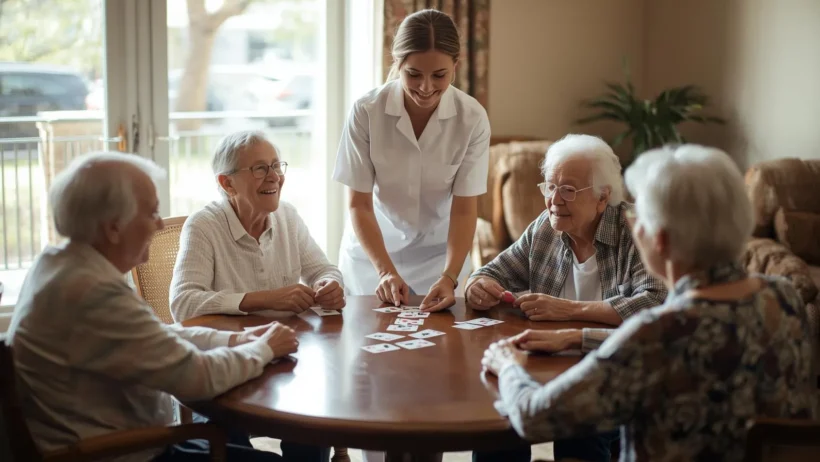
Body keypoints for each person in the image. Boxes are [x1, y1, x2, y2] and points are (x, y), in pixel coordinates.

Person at [481, 145, 817, 462]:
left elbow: (534, 416)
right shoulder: (785, 298)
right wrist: (576, 337)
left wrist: (508, 364)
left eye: (639, 217)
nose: (631, 224)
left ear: (660, 240)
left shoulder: (658, 333)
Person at [8, 152, 298, 462]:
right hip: (126, 454)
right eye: (152, 213)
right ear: (114, 227)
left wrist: (234, 340)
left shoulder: (59, 264)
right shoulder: (93, 293)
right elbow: (198, 378)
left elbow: (155, 337)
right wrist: (264, 348)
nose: (159, 225)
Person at [468, 134, 667, 461]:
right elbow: (492, 272)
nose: (554, 200)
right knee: (499, 427)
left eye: (569, 190)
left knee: (580, 433)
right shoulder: (545, 228)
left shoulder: (635, 230)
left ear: (603, 197)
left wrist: (568, 310)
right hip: (544, 365)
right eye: (550, 186)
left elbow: (654, 302)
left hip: (611, 370)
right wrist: (478, 283)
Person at [332, 8, 490, 314]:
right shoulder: (366, 112)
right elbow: (359, 204)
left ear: (456, 66)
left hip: (440, 258)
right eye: (413, 74)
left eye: (439, 75)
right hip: (373, 256)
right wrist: (384, 270)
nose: (426, 87)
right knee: (370, 354)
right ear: (397, 64)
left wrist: (450, 276)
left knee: (441, 354)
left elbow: (464, 209)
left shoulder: (472, 118)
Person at [170, 130, 345, 323]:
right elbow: (183, 303)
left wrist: (329, 285)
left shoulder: (288, 217)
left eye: (276, 166)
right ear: (227, 183)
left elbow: (324, 270)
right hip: (231, 347)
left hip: (288, 340)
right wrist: (266, 299)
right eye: (260, 169)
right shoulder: (203, 226)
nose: (275, 177)